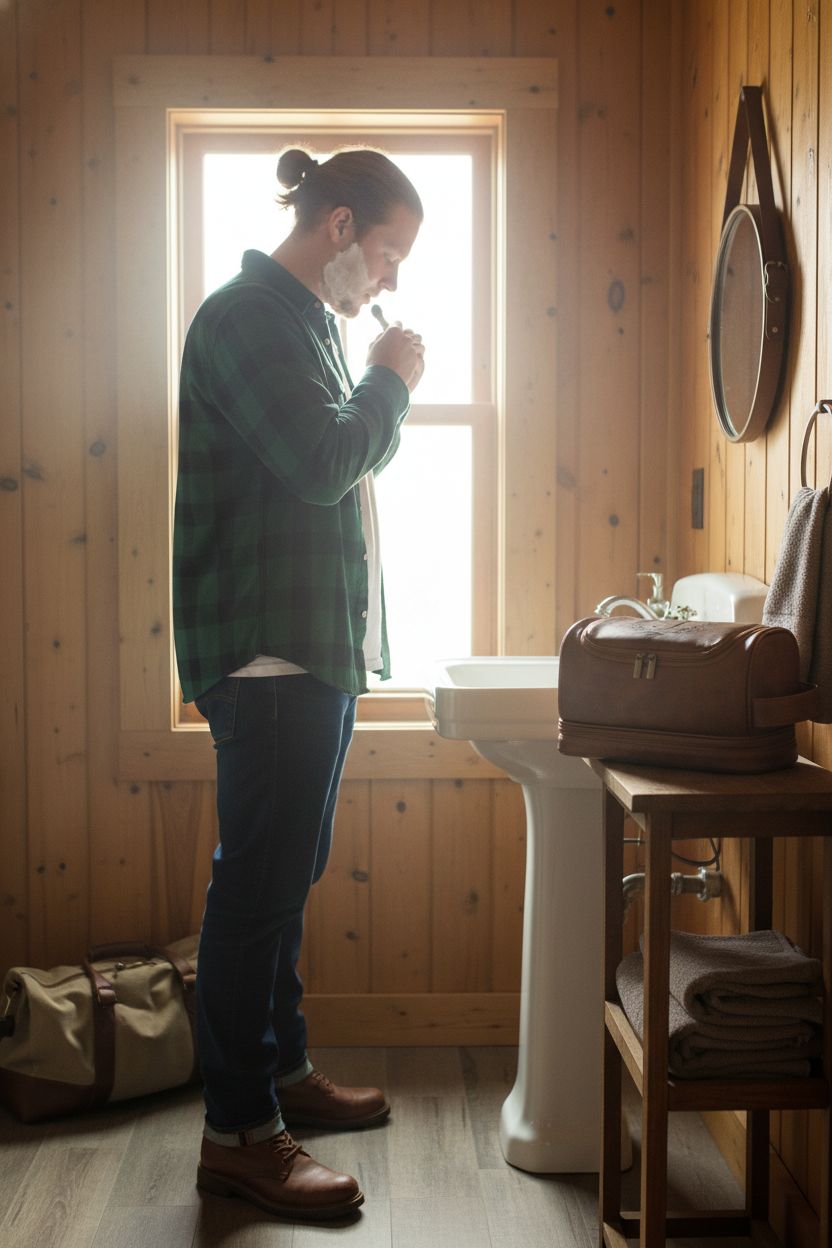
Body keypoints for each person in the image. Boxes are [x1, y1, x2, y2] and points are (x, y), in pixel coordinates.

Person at [172, 146, 424, 1221]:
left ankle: (277, 1077)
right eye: (388, 253)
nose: (390, 279)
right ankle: (238, 1136)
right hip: (268, 656)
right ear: (336, 228)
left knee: (285, 879)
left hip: (307, 653)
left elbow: (332, 466)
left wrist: (375, 388)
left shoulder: (306, 324)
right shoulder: (246, 320)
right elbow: (327, 462)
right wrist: (393, 381)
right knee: (256, 893)